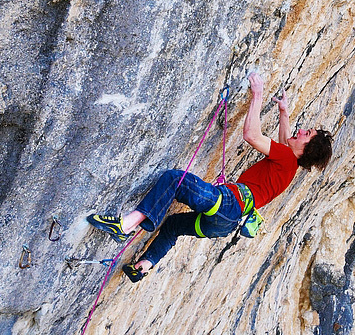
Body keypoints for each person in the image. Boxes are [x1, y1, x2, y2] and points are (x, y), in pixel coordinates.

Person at [87, 73, 332, 283]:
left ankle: (125, 225)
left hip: (229, 202)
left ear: (306, 148)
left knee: (175, 179)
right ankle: (143, 266)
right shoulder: (289, 166)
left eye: (306, 133)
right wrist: (283, 111)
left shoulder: (287, 159)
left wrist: (257, 94)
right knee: (172, 227)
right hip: (226, 224)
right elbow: (285, 139)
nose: (300, 131)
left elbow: (251, 135)